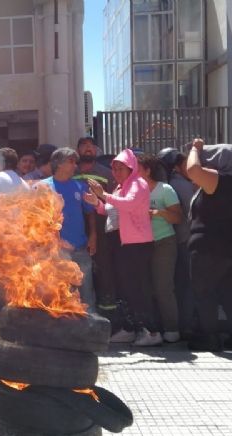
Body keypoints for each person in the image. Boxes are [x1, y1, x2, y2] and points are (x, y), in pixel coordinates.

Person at [85, 148, 159, 346]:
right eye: (114, 168)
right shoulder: (119, 187)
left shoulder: (138, 184)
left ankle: (150, 331)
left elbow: (129, 204)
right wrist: (97, 203)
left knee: (139, 288)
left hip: (137, 244)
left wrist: (104, 195)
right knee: (124, 288)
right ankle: (130, 327)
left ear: (131, 168)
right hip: (120, 243)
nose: (116, 172)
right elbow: (110, 211)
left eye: (121, 168)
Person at [185, 140, 232, 352]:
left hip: (209, 248)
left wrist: (195, 149)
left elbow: (193, 170)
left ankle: (210, 338)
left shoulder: (220, 181)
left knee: (205, 293)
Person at [35, 147, 97, 313]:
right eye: (71, 162)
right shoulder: (42, 187)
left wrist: (93, 236)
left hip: (81, 248)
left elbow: (90, 213)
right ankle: (68, 329)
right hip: (56, 252)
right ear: (58, 164)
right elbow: (35, 220)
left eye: (75, 162)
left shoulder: (79, 185)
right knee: (62, 294)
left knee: (86, 291)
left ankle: (93, 328)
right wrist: (53, 241)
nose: (75, 166)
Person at [138, 154, 182, 343]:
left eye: (137, 168)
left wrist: (157, 212)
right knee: (146, 288)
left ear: (148, 171)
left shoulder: (165, 189)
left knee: (163, 287)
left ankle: (172, 329)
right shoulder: (132, 190)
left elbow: (178, 217)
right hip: (141, 245)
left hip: (163, 242)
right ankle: (152, 330)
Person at [73, 137, 117, 314]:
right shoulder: (71, 171)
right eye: (84, 146)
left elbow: (113, 200)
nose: (88, 149)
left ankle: (107, 311)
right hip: (77, 226)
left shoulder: (106, 172)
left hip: (101, 225)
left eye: (91, 145)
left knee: (103, 267)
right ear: (78, 151)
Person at [157, 148, 195, 338]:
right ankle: (186, 325)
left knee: (176, 285)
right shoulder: (181, 186)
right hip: (185, 241)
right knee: (186, 285)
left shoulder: (166, 185)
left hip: (175, 240)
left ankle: (180, 324)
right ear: (177, 167)